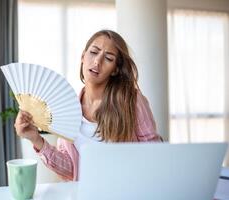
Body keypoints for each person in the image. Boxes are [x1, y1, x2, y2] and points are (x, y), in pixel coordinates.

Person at [14, 29, 162, 181]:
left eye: (108, 58)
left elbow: (154, 152)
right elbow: (70, 170)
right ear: (83, 56)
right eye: (93, 52)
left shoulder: (132, 100)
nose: (97, 61)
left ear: (115, 70)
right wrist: (36, 139)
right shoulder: (67, 110)